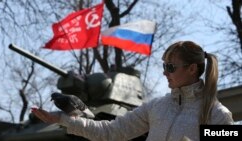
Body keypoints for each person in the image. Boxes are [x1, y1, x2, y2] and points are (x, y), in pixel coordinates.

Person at [32, 41, 234, 141]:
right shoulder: (156, 107)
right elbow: (110, 131)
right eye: (163, 66)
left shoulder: (218, 115)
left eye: (170, 67)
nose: (165, 73)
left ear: (192, 69)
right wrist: (62, 119)